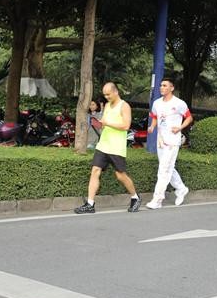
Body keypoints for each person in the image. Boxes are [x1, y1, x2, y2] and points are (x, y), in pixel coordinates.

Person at [75, 82, 141, 214]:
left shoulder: (124, 106)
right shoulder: (107, 106)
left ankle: (135, 197)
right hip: (103, 145)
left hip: (116, 147)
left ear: (116, 92)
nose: (106, 97)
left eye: (108, 94)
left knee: (120, 175)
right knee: (95, 170)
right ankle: (90, 204)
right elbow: (104, 124)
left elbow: (126, 125)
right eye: (104, 94)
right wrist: (98, 124)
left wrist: (107, 123)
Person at [146, 77, 193, 209]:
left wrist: (179, 127)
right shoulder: (157, 103)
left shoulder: (179, 103)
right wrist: (152, 127)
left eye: (165, 85)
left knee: (163, 170)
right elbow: (155, 117)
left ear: (172, 88)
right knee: (167, 167)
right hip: (161, 140)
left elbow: (189, 118)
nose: (162, 87)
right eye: (161, 85)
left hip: (172, 141)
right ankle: (182, 189)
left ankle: (157, 200)